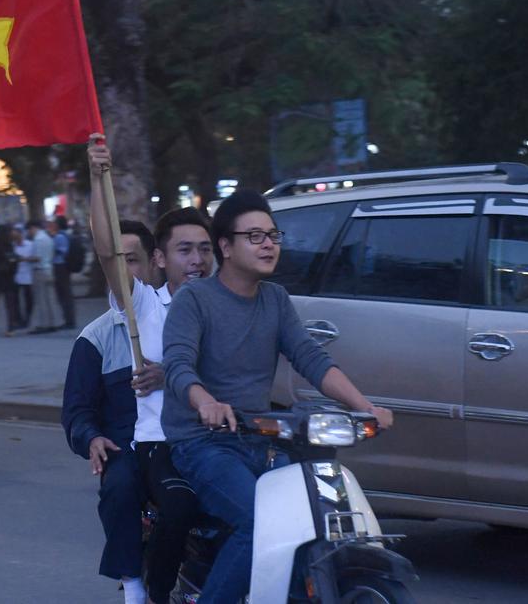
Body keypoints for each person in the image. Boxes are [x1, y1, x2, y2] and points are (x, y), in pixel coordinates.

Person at [161, 189, 393, 604]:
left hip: (262, 438)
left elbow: (310, 357)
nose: (269, 244)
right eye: (255, 236)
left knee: (317, 517)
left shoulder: (275, 299)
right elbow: (179, 366)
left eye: (273, 234)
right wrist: (205, 403)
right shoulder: (194, 299)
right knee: (260, 522)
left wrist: (365, 407)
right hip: (203, 442)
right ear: (226, 247)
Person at [87, 137, 209, 604]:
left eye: (203, 249)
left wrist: (173, 374)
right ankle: (154, 592)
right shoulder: (145, 305)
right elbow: (106, 251)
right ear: (159, 259)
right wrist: (99, 179)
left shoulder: (223, 307)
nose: (195, 261)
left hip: (219, 439)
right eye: (183, 251)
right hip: (161, 442)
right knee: (178, 505)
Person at [62, 220, 167, 604]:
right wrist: (92, 438)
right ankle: (133, 584)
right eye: (116, 262)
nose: (124, 273)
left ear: (155, 263)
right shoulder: (94, 338)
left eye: (133, 262)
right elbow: (76, 411)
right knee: (120, 486)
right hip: (125, 444)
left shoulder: (176, 318)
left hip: (173, 437)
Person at [28, 220, 58, 333]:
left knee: (41, 299)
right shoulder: (48, 238)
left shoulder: (38, 240)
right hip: (49, 269)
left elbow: (37, 257)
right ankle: (53, 322)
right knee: (50, 298)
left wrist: (24, 258)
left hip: (39, 270)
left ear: (33, 228)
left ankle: (43, 323)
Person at [50, 216, 77, 329]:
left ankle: (69, 320)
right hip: (63, 266)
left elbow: (61, 251)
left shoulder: (59, 237)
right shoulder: (66, 234)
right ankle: (68, 319)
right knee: (65, 293)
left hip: (60, 266)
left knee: (64, 294)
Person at [12, 226, 35, 330]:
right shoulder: (12, 247)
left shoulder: (30, 245)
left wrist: (24, 259)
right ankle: (18, 320)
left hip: (28, 276)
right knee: (15, 300)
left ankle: (27, 319)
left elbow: (35, 257)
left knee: (28, 300)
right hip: (16, 276)